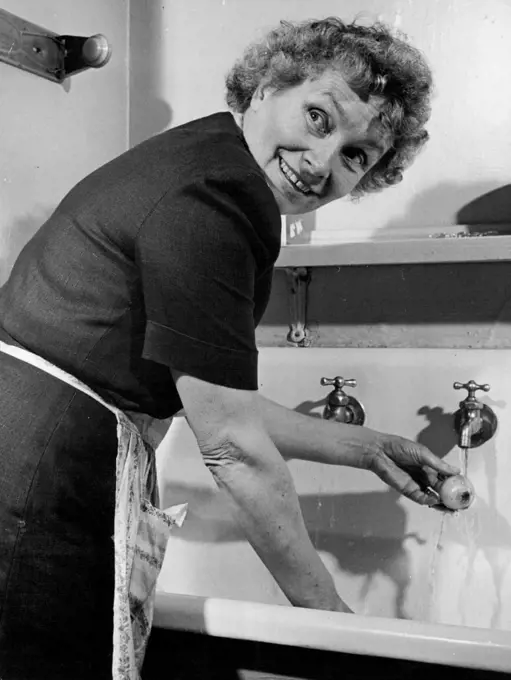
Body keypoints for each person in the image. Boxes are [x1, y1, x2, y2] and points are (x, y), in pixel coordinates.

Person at [0, 15, 459, 680]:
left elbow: (219, 406)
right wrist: (331, 628)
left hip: (35, 445)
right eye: (319, 118)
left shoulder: (206, 161)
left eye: (356, 156)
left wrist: (368, 448)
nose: (322, 163)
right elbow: (232, 447)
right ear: (266, 87)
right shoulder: (215, 197)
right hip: (39, 474)